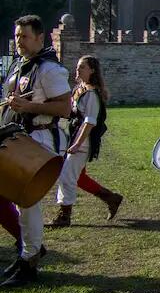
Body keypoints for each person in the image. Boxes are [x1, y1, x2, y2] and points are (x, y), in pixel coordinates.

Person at [1, 15, 71, 287]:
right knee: (11, 197)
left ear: (40, 37)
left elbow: (64, 108)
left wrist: (28, 107)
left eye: (24, 36)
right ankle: (28, 251)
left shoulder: (49, 69)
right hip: (21, 137)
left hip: (40, 140)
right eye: (17, 36)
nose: (19, 41)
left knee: (27, 203)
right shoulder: (22, 66)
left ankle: (29, 261)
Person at [47, 55, 123, 229]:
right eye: (78, 67)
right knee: (79, 178)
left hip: (83, 141)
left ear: (92, 70)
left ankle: (64, 216)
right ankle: (112, 198)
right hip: (72, 138)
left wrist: (77, 144)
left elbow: (90, 122)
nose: (78, 69)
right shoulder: (79, 89)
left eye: (82, 67)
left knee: (67, 177)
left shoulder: (91, 94)